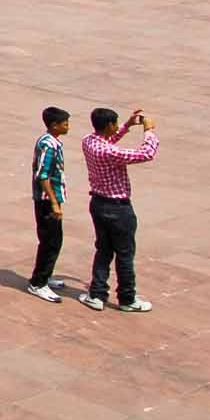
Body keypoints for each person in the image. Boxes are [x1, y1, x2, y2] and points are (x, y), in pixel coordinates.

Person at [79, 105, 159, 312]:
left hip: (98, 203)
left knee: (103, 250)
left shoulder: (89, 142)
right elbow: (146, 154)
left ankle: (96, 294)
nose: (116, 126)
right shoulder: (109, 152)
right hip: (118, 208)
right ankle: (127, 298)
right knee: (124, 254)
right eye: (114, 123)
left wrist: (126, 126)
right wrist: (149, 131)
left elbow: (108, 141)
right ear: (107, 125)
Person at [29, 106, 71, 301]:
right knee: (50, 241)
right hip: (47, 201)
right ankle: (38, 283)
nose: (68, 126)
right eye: (65, 123)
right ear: (54, 125)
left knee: (54, 239)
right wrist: (54, 203)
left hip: (51, 198)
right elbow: (43, 175)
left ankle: (46, 274)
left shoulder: (50, 141)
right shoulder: (49, 145)